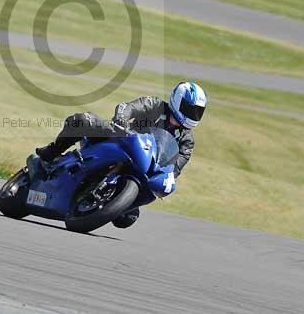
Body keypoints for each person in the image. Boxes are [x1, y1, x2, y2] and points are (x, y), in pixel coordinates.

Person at [26, 81, 208, 228]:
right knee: (83, 121)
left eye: (198, 112)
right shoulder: (155, 105)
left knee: (127, 218)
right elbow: (127, 107)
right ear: (177, 100)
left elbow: (176, 167)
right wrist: (121, 118)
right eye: (191, 109)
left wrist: (169, 176)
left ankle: (114, 202)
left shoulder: (186, 140)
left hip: (146, 168)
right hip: (122, 141)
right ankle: (50, 154)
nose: (194, 114)